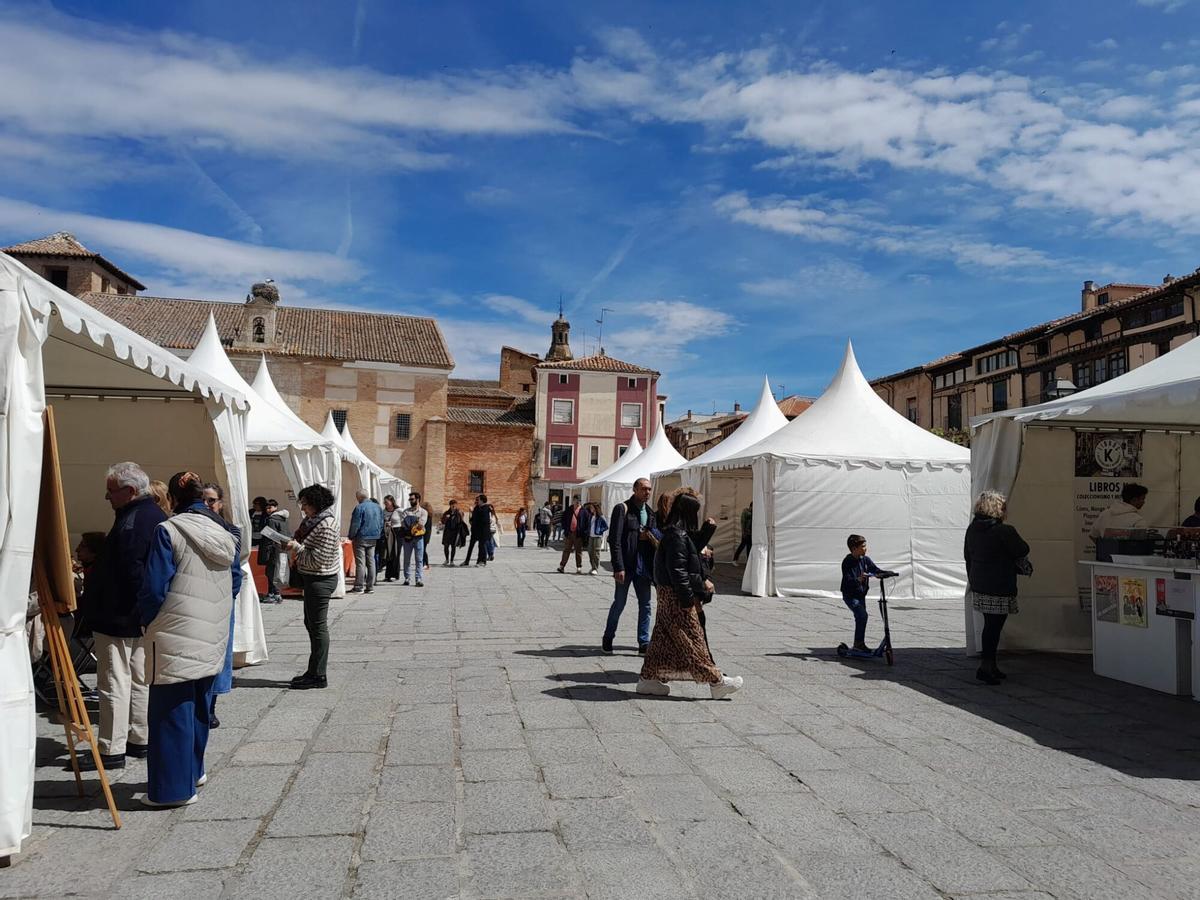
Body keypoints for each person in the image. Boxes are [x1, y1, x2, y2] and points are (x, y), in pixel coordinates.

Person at [137, 471, 240, 807]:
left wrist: (146, 620)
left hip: (176, 629)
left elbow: (154, 588)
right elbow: (235, 580)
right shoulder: (224, 531)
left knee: (170, 710)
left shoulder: (168, 530)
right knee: (197, 705)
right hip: (211, 628)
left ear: (172, 497)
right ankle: (194, 770)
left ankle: (173, 789)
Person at [74, 462, 165, 771]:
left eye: (111, 492)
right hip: (137, 616)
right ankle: (140, 738)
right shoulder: (152, 515)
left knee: (114, 681)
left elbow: (133, 572)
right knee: (139, 678)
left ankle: (111, 748)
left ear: (129, 491)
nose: (107, 498)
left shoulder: (132, 521)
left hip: (119, 615)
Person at [637, 493, 743, 699]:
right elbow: (678, 570)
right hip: (677, 597)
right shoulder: (677, 535)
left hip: (667, 594)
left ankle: (648, 679)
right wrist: (687, 599)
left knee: (662, 640)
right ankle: (716, 681)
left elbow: (689, 553)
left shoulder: (675, 533)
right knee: (693, 641)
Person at [965, 490, 1031, 686]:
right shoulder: (1004, 531)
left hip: (980, 582)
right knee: (994, 626)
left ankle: (990, 664)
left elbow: (967, 555)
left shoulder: (973, 529)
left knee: (990, 625)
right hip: (999, 583)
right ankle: (987, 666)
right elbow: (1023, 549)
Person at [287, 484, 342, 690]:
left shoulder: (326, 525)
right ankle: (313, 670)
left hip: (320, 579)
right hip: (312, 579)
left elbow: (319, 559)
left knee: (318, 627)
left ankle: (319, 675)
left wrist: (297, 548)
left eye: (305, 504)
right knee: (311, 624)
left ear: (316, 504)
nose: (302, 508)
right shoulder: (313, 521)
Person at [602, 478, 658, 655]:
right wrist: (618, 567)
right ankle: (608, 637)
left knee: (646, 605)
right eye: (643, 489)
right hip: (626, 566)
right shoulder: (623, 509)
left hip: (643, 567)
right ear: (634, 490)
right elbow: (615, 539)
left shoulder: (650, 513)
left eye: (649, 489)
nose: (647, 492)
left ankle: (643, 642)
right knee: (619, 603)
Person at [201, 482, 240, 730]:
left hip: (222, 600)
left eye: (212, 500)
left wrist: (229, 597)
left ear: (221, 503)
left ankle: (211, 706)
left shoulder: (231, 530)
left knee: (219, 655)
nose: (208, 505)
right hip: (197, 599)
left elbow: (235, 571)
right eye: (203, 500)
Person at [841, 534, 887, 653]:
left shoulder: (865, 560)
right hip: (850, 595)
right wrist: (858, 579)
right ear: (854, 548)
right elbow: (847, 580)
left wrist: (886, 573)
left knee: (861, 618)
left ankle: (858, 643)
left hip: (861, 594)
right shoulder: (848, 562)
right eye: (863, 546)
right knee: (862, 615)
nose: (865, 549)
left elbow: (875, 570)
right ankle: (859, 644)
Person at [348, 489, 384, 593]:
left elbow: (355, 524)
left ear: (359, 497)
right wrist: (378, 533)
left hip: (361, 537)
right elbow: (381, 522)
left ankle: (359, 586)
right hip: (373, 537)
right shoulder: (378, 507)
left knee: (360, 562)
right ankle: (370, 586)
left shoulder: (359, 507)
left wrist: (351, 535)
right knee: (371, 561)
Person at [401, 491, 429, 587]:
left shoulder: (424, 512)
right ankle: (407, 578)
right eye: (409, 499)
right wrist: (414, 522)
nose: (410, 501)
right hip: (407, 538)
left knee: (419, 559)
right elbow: (403, 524)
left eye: (412, 499)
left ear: (417, 499)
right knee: (406, 559)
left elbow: (421, 525)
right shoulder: (405, 511)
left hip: (418, 538)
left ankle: (418, 579)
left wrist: (411, 523)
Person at [557, 496, 587, 574]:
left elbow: (587, 522)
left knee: (578, 551)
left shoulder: (583, 511)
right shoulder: (569, 509)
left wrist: (583, 532)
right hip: (569, 533)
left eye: (578, 501)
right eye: (575, 500)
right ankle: (562, 566)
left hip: (578, 534)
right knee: (566, 550)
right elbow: (563, 519)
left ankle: (579, 567)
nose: (577, 502)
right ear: (573, 501)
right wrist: (565, 528)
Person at [463, 495, 493, 566]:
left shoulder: (486, 508)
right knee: (471, 546)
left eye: (478, 500)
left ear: (482, 500)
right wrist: (470, 513)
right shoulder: (476, 508)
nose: (477, 501)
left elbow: (485, 520)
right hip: (475, 531)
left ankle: (482, 561)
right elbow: (472, 519)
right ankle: (467, 561)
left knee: (481, 546)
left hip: (483, 531)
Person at [441, 500, 468, 565]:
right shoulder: (446, 513)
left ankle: (452, 561)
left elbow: (461, 521)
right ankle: (447, 559)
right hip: (447, 531)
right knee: (446, 546)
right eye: (452, 504)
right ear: (450, 505)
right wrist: (446, 518)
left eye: (455, 504)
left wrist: (461, 514)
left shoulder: (459, 512)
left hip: (455, 532)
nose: (453, 506)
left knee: (453, 546)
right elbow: (442, 521)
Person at [585, 502, 608, 575]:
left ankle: (595, 568)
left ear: (595, 508)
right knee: (590, 552)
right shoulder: (591, 516)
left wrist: (599, 531)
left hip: (597, 537)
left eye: (592, 507)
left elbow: (606, 526)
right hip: (591, 536)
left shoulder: (600, 517)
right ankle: (593, 567)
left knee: (596, 553)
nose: (590, 509)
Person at [382, 496, 401, 582]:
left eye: (387, 502)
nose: (385, 504)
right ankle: (388, 575)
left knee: (396, 553)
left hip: (397, 532)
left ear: (392, 501)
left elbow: (404, 520)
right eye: (384, 502)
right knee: (388, 553)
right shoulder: (383, 511)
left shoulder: (399, 510)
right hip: (388, 533)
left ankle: (395, 574)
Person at [421, 497, 436, 571]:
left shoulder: (426, 516)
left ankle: (426, 564)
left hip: (424, 535)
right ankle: (423, 563)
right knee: (423, 550)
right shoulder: (429, 516)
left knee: (423, 550)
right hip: (427, 535)